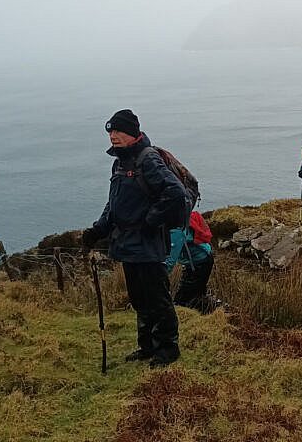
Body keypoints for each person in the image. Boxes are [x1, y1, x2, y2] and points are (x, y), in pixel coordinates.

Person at [82, 109, 188, 369]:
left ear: (132, 133)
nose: (113, 137)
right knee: (139, 297)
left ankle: (168, 348)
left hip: (148, 242)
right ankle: (147, 346)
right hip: (127, 242)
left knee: (157, 297)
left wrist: (151, 221)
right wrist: (97, 231)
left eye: (118, 131)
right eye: (110, 132)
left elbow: (175, 192)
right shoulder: (120, 162)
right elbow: (115, 204)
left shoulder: (147, 159)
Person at [165, 210, 215, 313]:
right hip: (201, 258)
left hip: (199, 263)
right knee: (194, 294)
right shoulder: (179, 218)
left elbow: (170, 262)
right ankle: (204, 314)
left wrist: (154, 278)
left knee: (181, 301)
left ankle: (199, 316)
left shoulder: (176, 231)